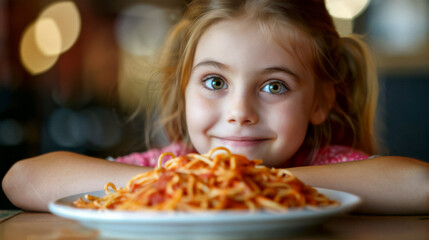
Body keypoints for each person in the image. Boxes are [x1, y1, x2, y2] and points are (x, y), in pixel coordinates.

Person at [2, 0, 428, 214]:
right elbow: (22, 179)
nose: (239, 111)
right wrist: (195, 182)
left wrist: (260, 185)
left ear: (320, 102)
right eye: (215, 82)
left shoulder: (324, 166)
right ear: (183, 89)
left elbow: (419, 184)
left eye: (275, 85)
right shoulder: (172, 166)